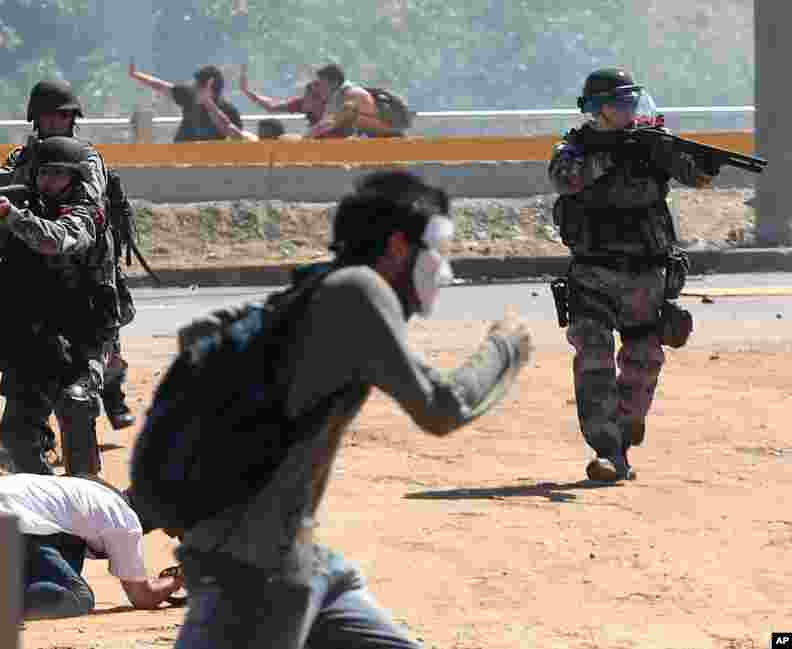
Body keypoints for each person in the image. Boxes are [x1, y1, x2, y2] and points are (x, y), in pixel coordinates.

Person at [168, 170, 532, 649]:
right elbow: (443, 407)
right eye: (436, 251)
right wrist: (505, 347)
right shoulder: (358, 290)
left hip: (299, 561)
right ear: (399, 249)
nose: (441, 268)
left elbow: (199, 337)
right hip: (253, 575)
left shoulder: (319, 289)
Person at [548, 68, 715, 483]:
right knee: (593, 357)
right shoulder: (576, 146)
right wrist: (610, 157)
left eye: (631, 102)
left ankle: (625, 429)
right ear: (597, 110)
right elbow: (564, 178)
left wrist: (702, 165)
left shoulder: (651, 144)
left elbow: (696, 176)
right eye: (619, 103)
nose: (629, 110)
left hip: (647, 272)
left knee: (643, 359)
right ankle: (606, 449)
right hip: (593, 272)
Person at [0, 79, 138, 438]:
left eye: (62, 117)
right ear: (36, 120)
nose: (54, 123)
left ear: (72, 119)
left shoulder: (85, 157)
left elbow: (90, 205)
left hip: (85, 251)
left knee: (102, 332)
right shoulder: (22, 158)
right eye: (48, 117)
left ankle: (112, 393)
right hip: (40, 252)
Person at [0, 135, 123, 477]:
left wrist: (13, 215)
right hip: (31, 338)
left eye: (57, 174)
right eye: (43, 173)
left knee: (75, 404)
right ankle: (45, 499)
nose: (48, 181)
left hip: (81, 335)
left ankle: (84, 489)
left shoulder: (87, 213)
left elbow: (55, 240)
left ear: (74, 178)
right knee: (15, 435)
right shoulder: (28, 207)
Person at [0, 473, 185, 622]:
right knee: (76, 598)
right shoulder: (122, 518)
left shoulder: (91, 498)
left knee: (56, 579)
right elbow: (142, 597)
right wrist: (178, 579)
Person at [129, 61, 250, 142]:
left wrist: (208, 103)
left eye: (196, 84)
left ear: (209, 84)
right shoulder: (189, 96)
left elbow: (238, 137)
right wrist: (136, 75)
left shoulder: (229, 110)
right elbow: (161, 86)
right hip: (179, 159)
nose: (192, 86)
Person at [309, 63, 393, 139]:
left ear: (334, 83)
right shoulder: (342, 94)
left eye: (321, 84)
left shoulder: (350, 95)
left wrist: (305, 138)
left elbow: (328, 124)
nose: (318, 89)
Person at [239, 64, 326, 132]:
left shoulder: (334, 104)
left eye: (315, 96)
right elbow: (271, 106)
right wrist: (247, 91)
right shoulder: (301, 103)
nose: (307, 101)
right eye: (306, 95)